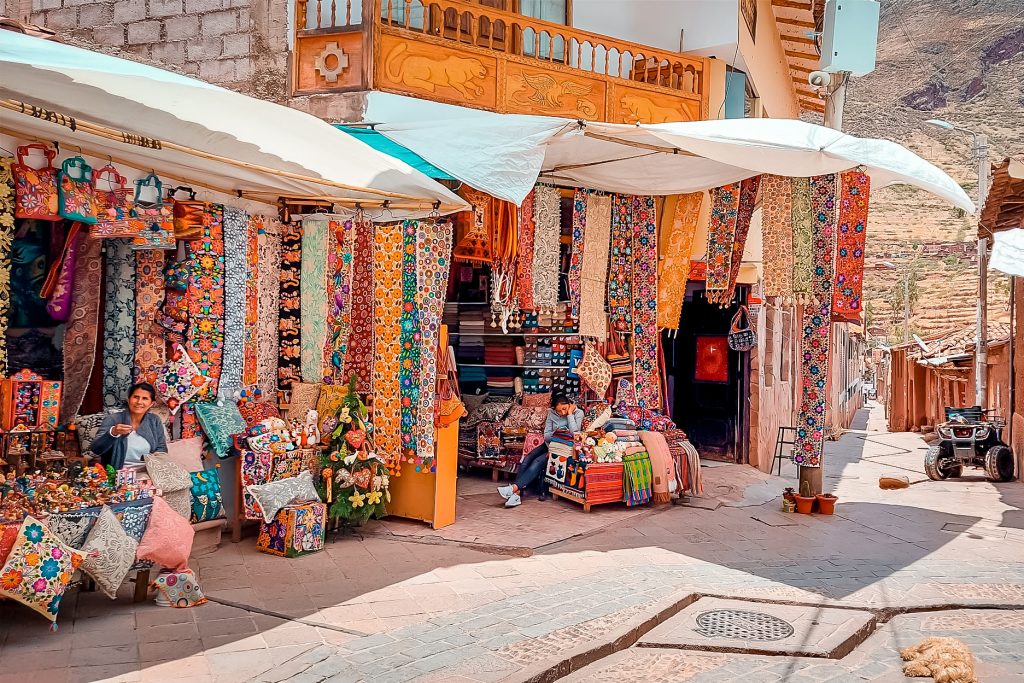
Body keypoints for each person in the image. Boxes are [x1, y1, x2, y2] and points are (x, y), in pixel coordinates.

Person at [498, 393, 583, 508]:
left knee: (537, 462)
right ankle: (516, 493)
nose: (562, 412)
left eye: (564, 409)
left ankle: (513, 489)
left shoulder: (578, 413)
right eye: (559, 411)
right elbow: (547, 436)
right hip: (548, 444)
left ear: (569, 404)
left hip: (561, 449)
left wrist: (569, 415)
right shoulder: (552, 414)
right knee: (527, 459)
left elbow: (575, 434)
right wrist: (559, 434)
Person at [90, 382, 168, 469]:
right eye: (136, 397)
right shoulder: (113, 419)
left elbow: (161, 450)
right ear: (129, 399)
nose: (139, 402)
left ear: (151, 404)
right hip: (117, 474)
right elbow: (96, 449)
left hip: (148, 473)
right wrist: (113, 432)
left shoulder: (154, 420)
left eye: (145, 398)